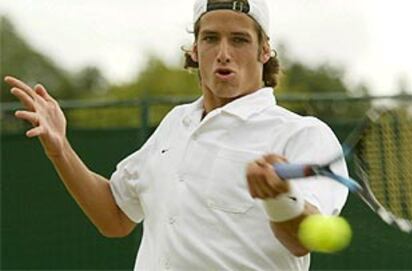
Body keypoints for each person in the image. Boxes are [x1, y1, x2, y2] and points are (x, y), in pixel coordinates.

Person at [5, 0, 348, 270]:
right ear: (195, 50)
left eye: (240, 39)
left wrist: (279, 198)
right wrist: (61, 149)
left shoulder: (303, 134)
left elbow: (302, 239)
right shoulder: (175, 124)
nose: (224, 53)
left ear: (264, 50)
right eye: (211, 38)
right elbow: (115, 216)